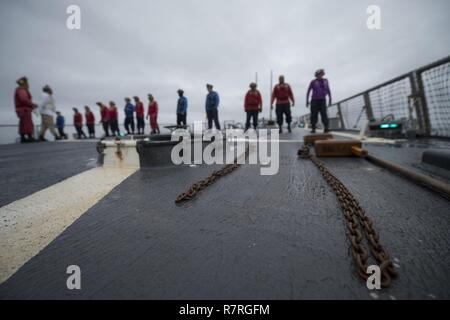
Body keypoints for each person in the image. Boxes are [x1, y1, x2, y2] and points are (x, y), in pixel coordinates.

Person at [306, 69, 332, 133]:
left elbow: (328, 89)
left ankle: (326, 128)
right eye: (318, 75)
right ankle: (313, 128)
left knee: (324, 114)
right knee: (314, 114)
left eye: (320, 74)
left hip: (323, 100)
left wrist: (330, 99)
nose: (319, 76)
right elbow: (308, 91)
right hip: (314, 100)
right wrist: (307, 101)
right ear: (316, 75)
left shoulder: (326, 81)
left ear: (322, 74)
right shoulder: (313, 82)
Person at [14, 76, 37, 143]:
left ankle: (23, 137)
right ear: (25, 83)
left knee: (23, 123)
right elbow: (24, 99)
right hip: (24, 109)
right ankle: (29, 137)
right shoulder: (21, 90)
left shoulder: (19, 90)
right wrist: (32, 104)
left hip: (22, 109)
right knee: (27, 123)